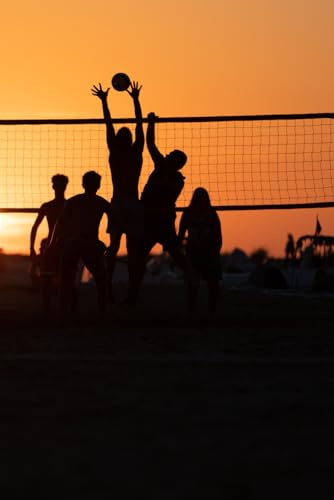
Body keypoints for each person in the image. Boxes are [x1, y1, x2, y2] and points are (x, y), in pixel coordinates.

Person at [91, 80, 144, 304]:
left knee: (113, 249)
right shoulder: (135, 153)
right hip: (131, 203)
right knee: (133, 251)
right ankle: (131, 293)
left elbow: (108, 124)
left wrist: (105, 101)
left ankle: (108, 289)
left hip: (119, 204)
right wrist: (135, 100)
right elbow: (139, 125)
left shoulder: (116, 153)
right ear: (131, 140)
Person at [132, 111, 188, 303]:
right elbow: (151, 144)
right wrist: (151, 123)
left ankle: (192, 284)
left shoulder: (175, 179)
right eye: (170, 153)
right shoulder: (163, 167)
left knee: (176, 256)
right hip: (150, 219)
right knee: (139, 257)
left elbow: (151, 145)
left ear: (177, 163)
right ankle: (133, 295)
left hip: (161, 222)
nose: (168, 154)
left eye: (172, 155)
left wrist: (151, 122)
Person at [49, 171, 110, 316]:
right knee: (101, 280)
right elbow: (118, 221)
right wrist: (113, 243)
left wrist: (53, 243)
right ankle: (101, 313)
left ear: (83, 184)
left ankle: (64, 312)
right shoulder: (100, 202)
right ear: (98, 185)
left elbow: (59, 223)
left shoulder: (73, 201)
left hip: (74, 243)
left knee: (67, 279)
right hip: (87, 243)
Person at [178, 187, 222, 317]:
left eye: (202, 198)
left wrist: (214, 253)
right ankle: (192, 312)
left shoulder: (212, 214)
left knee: (213, 285)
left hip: (209, 254)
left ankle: (212, 312)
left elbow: (218, 237)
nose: (200, 201)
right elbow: (180, 236)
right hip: (193, 254)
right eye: (198, 198)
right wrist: (179, 255)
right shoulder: (187, 214)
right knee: (193, 285)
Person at [29, 174, 69, 314]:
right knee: (46, 280)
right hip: (52, 247)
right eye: (57, 185)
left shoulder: (68, 205)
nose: (59, 188)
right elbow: (34, 227)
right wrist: (31, 249)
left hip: (65, 245)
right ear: (53, 186)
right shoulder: (48, 206)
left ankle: (64, 313)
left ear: (65, 187)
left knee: (65, 280)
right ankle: (48, 313)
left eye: (61, 185)